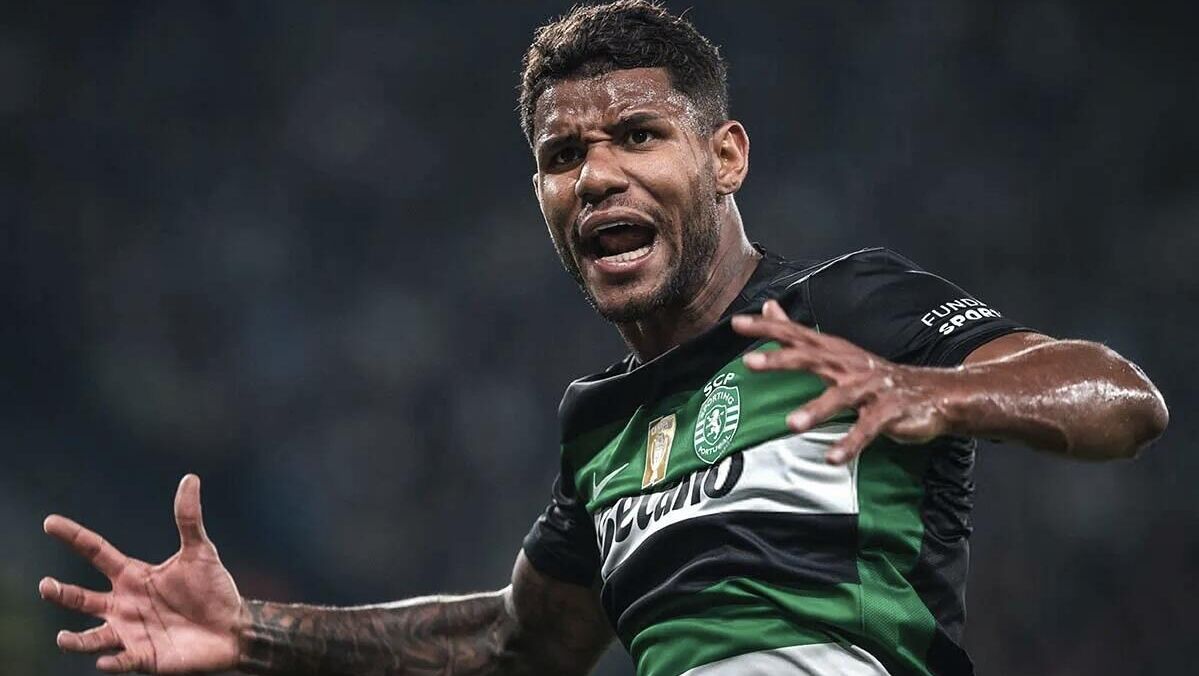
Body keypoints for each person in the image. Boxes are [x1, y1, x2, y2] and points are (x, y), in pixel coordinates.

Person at [39, 2, 1168, 675]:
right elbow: (517, 645)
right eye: (562, 156)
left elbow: (1119, 397)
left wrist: (935, 392)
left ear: (723, 157)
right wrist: (252, 634)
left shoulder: (843, 308)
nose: (595, 175)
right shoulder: (600, 428)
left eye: (637, 134)